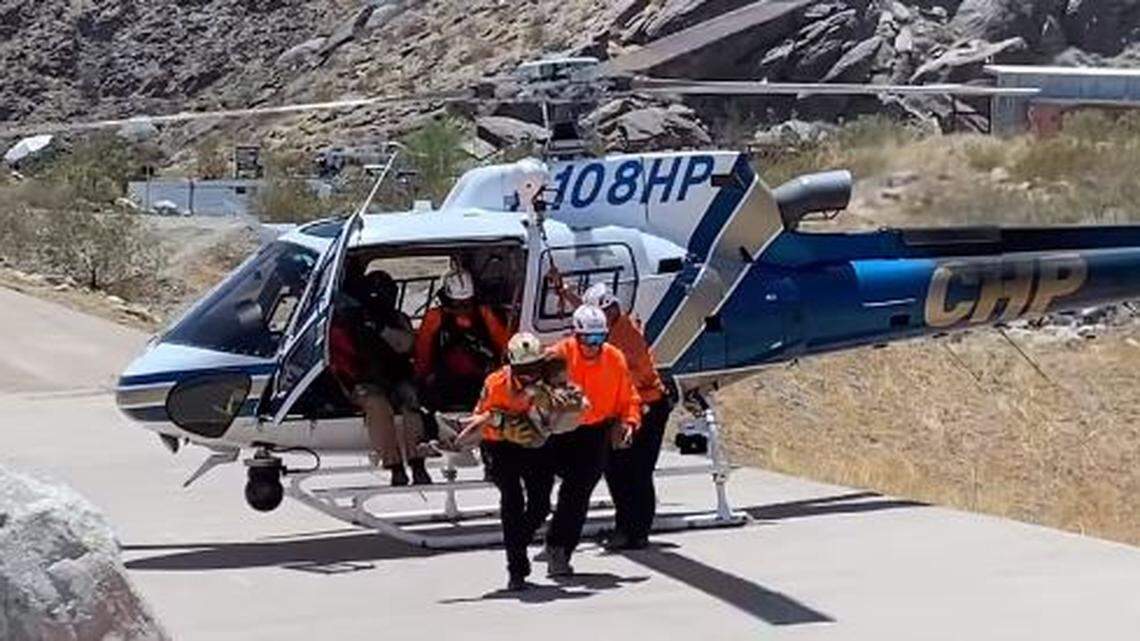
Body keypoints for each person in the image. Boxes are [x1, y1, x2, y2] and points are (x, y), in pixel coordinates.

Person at [542, 304, 641, 577]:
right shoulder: (558, 354)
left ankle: (559, 549)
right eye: (588, 339)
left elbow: (628, 398)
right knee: (539, 489)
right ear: (576, 334)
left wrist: (628, 423)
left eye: (600, 338)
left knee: (578, 493)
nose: (594, 345)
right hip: (558, 432)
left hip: (594, 433)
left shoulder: (614, 358)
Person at [458, 333, 559, 591]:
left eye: (534, 369)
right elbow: (480, 417)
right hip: (500, 446)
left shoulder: (552, 383)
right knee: (512, 500)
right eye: (523, 370)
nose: (528, 375)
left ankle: (518, 542)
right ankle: (516, 569)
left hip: (535, 444)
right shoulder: (495, 383)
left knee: (541, 505)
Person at [581, 284, 673, 550]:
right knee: (616, 470)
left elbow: (636, 377)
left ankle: (637, 532)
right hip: (624, 409)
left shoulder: (626, 337)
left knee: (637, 472)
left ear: (611, 310)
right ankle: (626, 526)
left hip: (647, 408)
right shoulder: (609, 326)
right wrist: (564, 292)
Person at [330, 269, 431, 487]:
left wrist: (381, 328)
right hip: (364, 382)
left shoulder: (398, 319)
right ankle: (394, 465)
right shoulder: (346, 325)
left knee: (411, 402)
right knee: (378, 406)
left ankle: (417, 462)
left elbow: (406, 345)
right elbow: (340, 362)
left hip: (398, 379)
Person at [414, 267, 511, 411]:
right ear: (448, 301)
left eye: (466, 304)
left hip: (481, 380)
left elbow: (505, 347)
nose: (462, 309)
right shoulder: (435, 318)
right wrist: (423, 377)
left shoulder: (485, 315)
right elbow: (423, 354)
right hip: (446, 382)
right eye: (457, 304)